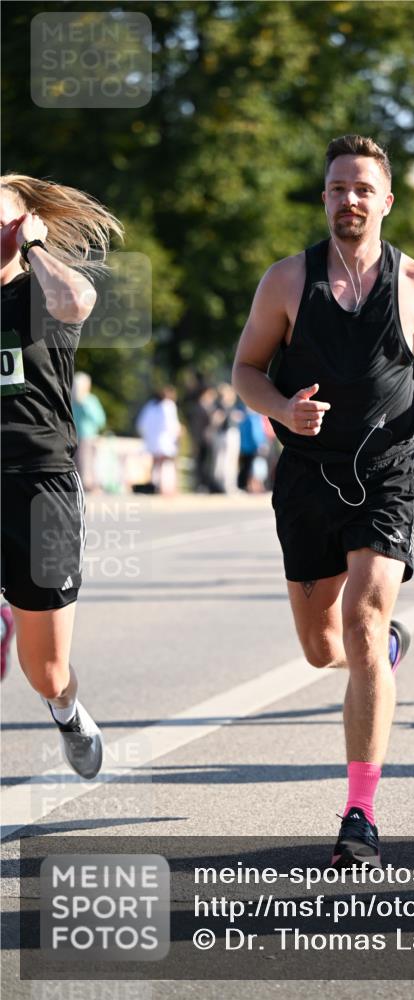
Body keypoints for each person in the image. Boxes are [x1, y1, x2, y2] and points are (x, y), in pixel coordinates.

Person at [232, 134, 414, 867]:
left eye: (362, 188)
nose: (349, 199)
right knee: (322, 652)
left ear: (385, 200)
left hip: (386, 471)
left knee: (362, 620)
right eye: (337, 187)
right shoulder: (286, 280)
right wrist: (280, 408)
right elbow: (246, 368)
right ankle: (381, 650)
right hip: (306, 477)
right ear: (324, 196)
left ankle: (359, 813)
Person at [0, 174, 122, 778]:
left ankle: (67, 710)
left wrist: (36, 248)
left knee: (44, 668)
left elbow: (78, 301)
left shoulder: (42, 295)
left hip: (40, 484)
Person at [136, 386, 182, 496]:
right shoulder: (168, 406)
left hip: (153, 441)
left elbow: (141, 425)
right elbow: (171, 425)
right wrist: (177, 433)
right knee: (166, 464)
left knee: (155, 464)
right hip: (165, 441)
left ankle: (154, 484)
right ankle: (164, 487)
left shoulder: (150, 406)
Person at [72, 371, 106, 491]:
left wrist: (84, 405)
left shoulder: (87, 400)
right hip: (79, 437)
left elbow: (100, 420)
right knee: (80, 463)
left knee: (83, 463)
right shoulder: (77, 400)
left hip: (83, 437)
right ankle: (81, 485)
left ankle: (85, 485)